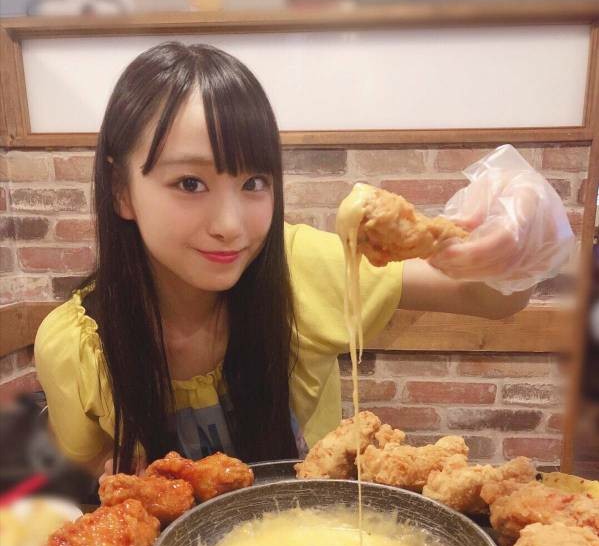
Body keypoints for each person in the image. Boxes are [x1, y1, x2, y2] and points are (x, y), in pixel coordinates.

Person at [34, 42, 573, 479]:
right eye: (190, 183)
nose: (231, 224)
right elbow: (85, 457)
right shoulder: (75, 346)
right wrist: (110, 471)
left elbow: (492, 300)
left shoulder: (300, 269)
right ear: (121, 190)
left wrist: (520, 230)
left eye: (254, 182)